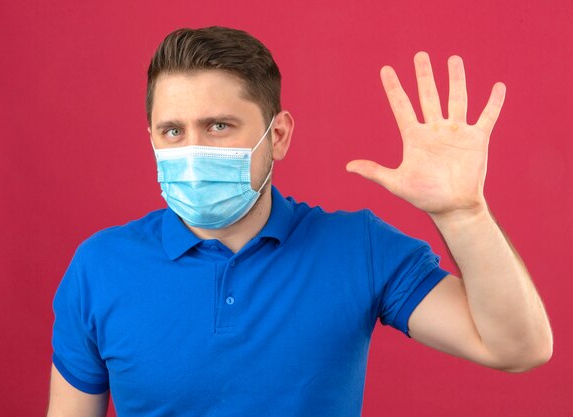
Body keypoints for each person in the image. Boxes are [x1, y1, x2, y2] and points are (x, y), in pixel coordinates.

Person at [46, 26, 553, 416]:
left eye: (219, 126)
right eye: (172, 131)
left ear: (279, 135)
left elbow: (518, 347)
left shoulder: (359, 248)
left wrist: (462, 213)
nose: (194, 150)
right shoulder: (99, 266)